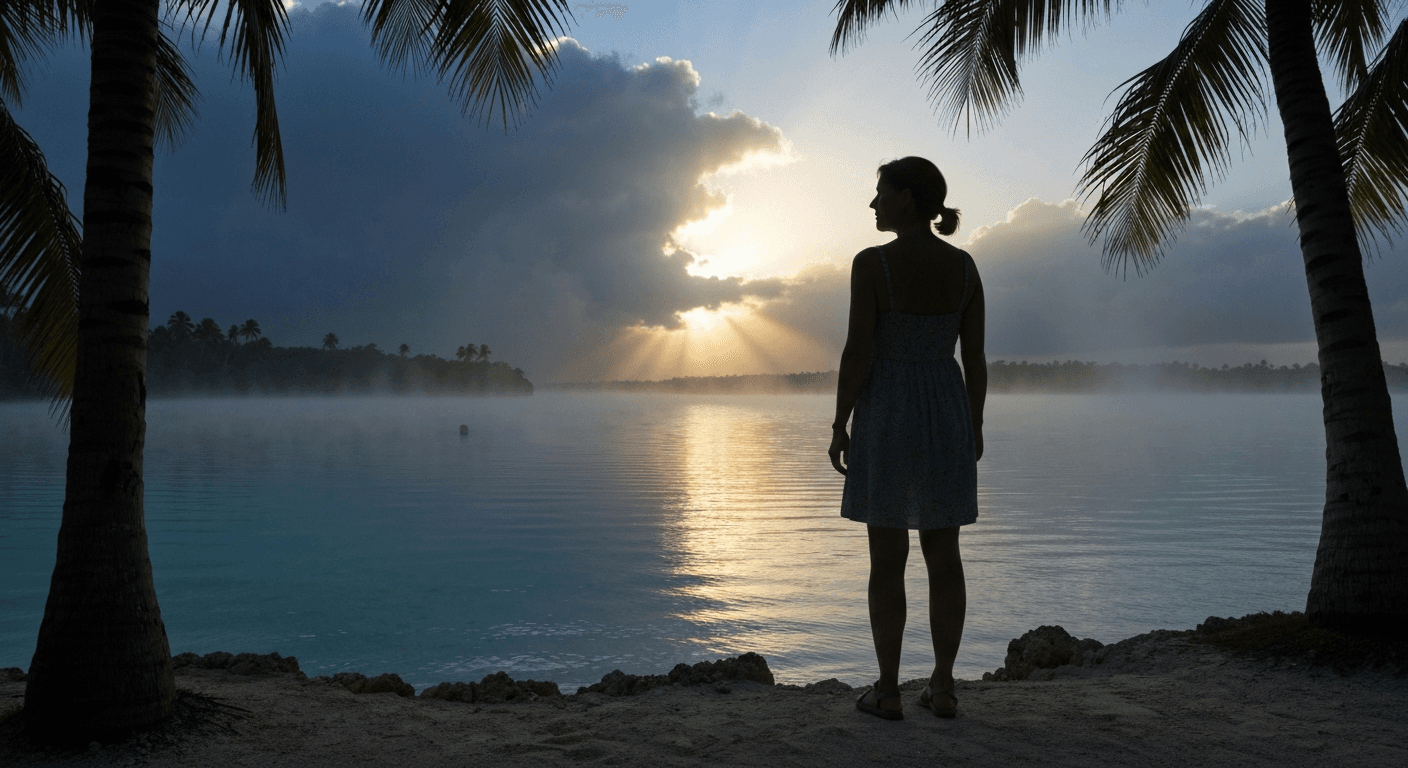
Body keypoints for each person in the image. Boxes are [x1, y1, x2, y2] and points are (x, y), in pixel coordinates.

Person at [829, 156, 986, 721]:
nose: (873, 203)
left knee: (887, 555)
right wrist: (976, 425)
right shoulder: (966, 269)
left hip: (888, 409)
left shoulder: (873, 264)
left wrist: (839, 422)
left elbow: (858, 351)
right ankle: (943, 688)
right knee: (944, 554)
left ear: (907, 199)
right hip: (947, 409)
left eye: (880, 193)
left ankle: (889, 689)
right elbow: (975, 359)